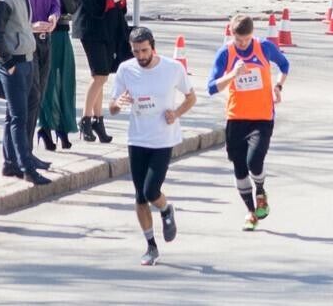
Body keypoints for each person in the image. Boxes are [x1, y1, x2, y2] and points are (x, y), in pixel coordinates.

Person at [109, 27, 196, 266]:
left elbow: (191, 97)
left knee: (151, 191)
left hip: (162, 139)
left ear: (153, 47)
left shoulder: (172, 68)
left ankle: (166, 209)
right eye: (136, 51)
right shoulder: (125, 69)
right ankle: (151, 246)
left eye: (145, 51)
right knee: (140, 197)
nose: (141, 56)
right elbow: (112, 107)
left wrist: (176, 113)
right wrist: (119, 103)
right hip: (137, 139)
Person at [207, 14, 289, 231]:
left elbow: (284, 64)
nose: (243, 44)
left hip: (262, 117)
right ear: (231, 34)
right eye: (238, 40)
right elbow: (211, 87)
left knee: (254, 161)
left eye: (246, 39)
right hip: (236, 117)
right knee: (240, 168)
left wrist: (278, 87)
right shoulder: (225, 53)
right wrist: (233, 75)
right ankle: (251, 212)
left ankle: (260, 190)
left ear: (253, 34)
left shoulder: (264, 47)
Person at [0, 0, 52, 185]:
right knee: (19, 116)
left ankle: (11, 164)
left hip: (27, 60)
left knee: (17, 113)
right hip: (14, 64)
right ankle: (26, 167)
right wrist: (9, 63)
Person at [2, 0, 60, 170]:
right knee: (22, 102)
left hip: (45, 41)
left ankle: (25, 153)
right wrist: (31, 26)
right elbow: (8, 20)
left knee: (36, 98)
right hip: (23, 45)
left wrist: (54, 17)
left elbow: (56, 3)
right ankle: (15, 157)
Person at [73, 0, 134, 143]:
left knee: (102, 75)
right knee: (100, 75)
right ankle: (85, 119)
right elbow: (93, 6)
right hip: (91, 31)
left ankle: (98, 121)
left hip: (108, 29)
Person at [37, 0, 86, 150]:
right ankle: (61, 129)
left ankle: (46, 127)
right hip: (59, 35)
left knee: (45, 82)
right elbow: (71, 7)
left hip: (40, 34)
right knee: (63, 80)